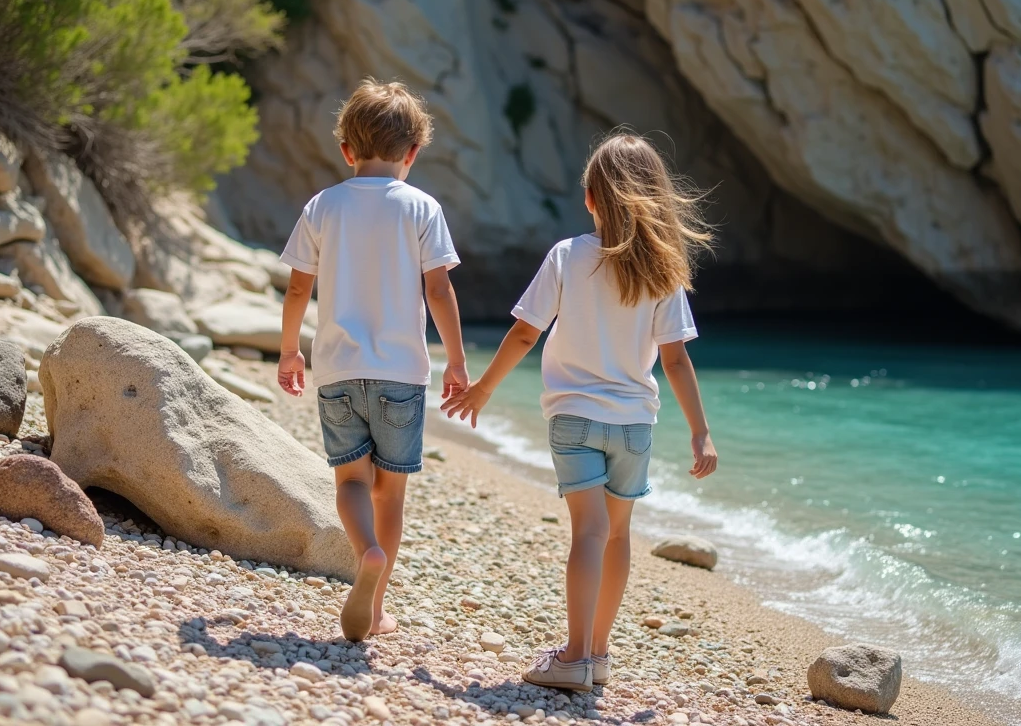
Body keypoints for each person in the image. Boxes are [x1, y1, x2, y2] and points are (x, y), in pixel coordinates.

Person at [441, 131, 719, 691]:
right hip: (635, 425)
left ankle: (572, 656)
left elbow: (524, 333)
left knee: (586, 534)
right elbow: (676, 360)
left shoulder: (568, 256)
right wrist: (700, 433)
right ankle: (596, 655)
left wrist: (485, 389)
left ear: (591, 198)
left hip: (573, 418)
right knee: (616, 537)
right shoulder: (663, 269)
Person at [278, 79, 468, 642]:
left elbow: (296, 291)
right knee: (392, 491)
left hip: (337, 370)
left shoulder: (323, 205)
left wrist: (291, 349)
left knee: (351, 484)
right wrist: (457, 361)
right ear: (413, 153)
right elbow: (439, 292)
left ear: (346, 150)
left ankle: (366, 553)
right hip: (402, 376)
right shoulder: (422, 207)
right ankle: (378, 605)